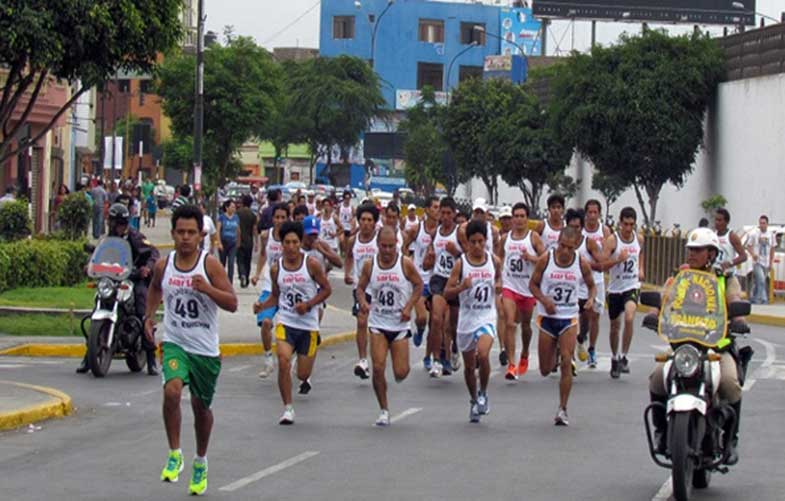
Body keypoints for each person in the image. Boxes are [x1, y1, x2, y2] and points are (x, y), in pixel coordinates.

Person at [145, 204, 238, 496]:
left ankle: (200, 459)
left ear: (201, 235)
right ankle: (175, 453)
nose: (185, 237)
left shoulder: (209, 265)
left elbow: (232, 303)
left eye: (191, 232)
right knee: (172, 390)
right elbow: (155, 289)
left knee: (201, 408)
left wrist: (208, 289)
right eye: (181, 232)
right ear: (173, 234)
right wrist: (149, 317)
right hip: (175, 341)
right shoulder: (165, 264)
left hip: (205, 348)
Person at [648, 227, 744, 464]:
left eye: (698, 250)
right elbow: (663, 298)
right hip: (682, 346)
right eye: (690, 250)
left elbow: (735, 300)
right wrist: (652, 313)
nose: (691, 254)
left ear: (711, 253)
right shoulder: (679, 277)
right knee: (657, 378)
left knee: (731, 383)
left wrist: (739, 318)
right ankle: (661, 431)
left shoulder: (725, 278)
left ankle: (730, 440)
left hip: (715, 348)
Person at [253, 221, 332, 425]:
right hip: (286, 321)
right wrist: (261, 305)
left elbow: (326, 289)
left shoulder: (311, 264)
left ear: (300, 243)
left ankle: (302, 367)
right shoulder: (276, 268)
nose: (290, 247)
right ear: (282, 245)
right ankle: (287, 408)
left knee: (303, 374)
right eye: (286, 242)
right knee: (283, 360)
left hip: (308, 325)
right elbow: (276, 297)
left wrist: (309, 304)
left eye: (294, 242)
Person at [77, 203, 161, 375]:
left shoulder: (136, 237)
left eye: (121, 223)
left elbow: (153, 252)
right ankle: (89, 357)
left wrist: (148, 267)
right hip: (112, 279)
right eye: (115, 222)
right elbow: (98, 254)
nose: (118, 226)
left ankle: (151, 357)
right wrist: (90, 264)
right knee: (98, 304)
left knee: (141, 308)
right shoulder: (107, 240)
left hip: (134, 278)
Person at [357, 226, 423, 426]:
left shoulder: (405, 264)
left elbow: (419, 285)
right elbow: (360, 287)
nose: (386, 251)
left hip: (400, 324)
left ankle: (400, 370)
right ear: (377, 246)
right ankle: (383, 409)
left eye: (390, 246)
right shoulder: (370, 265)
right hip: (378, 322)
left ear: (397, 245)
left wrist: (409, 307)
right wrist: (363, 302)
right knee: (377, 367)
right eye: (383, 246)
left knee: (401, 372)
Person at [530, 227, 596, 426]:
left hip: (569, 318)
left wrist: (591, 299)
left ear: (576, 246)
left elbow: (592, 284)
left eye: (570, 247)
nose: (565, 251)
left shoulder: (581, 263)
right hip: (548, 318)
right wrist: (544, 299)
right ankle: (555, 352)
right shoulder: (546, 260)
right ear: (557, 242)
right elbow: (532, 285)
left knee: (567, 361)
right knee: (545, 369)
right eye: (562, 246)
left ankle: (562, 408)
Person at [445, 220, 501, 423]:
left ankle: (484, 393)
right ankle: (473, 399)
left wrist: (499, 284)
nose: (477, 246)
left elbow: (500, 279)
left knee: (484, 354)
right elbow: (447, 292)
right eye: (473, 242)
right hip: (466, 319)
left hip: (486, 315)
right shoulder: (461, 263)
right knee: (469, 368)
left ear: (486, 241)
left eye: (481, 241)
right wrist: (461, 287)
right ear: (467, 243)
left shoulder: (493, 261)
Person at [499, 202, 546, 380]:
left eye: (522, 216)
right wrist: (498, 278)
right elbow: (499, 258)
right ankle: (511, 364)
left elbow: (544, 258)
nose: (518, 220)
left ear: (527, 219)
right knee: (510, 323)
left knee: (525, 326)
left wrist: (530, 258)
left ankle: (525, 352)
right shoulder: (505, 239)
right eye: (516, 216)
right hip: (509, 285)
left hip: (527, 288)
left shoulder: (533, 237)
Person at [604, 207, 644, 378]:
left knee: (629, 317)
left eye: (631, 225)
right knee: (615, 327)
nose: (628, 228)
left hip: (632, 285)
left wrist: (641, 269)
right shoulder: (613, 240)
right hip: (615, 288)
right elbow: (603, 263)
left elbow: (641, 254)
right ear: (620, 223)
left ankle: (624, 357)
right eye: (625, 224)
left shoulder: (639, 239)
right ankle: (614, 357)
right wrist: (617, 259)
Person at [426, 197, 462, 377]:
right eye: (443, 213)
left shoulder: (459, 233)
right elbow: (427, 261)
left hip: (454, 280)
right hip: (439, 278)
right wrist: (430, 257)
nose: (446, 216)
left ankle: (455, 346)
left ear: (454, 214)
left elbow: (470, 257)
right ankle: (437, 360)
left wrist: (456, 252)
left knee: (452, 325)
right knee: (436, 318)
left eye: (449, 213)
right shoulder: (435, 233)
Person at [252, 203, 289, 378]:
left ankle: (291, 358)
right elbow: (262, 255)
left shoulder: (292, 237)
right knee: (266, 322)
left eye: (283, 217)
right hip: (269, 285)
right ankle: (268, 359)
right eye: (277, 217)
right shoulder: (266, 235)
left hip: (288, 287)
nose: (280, 221)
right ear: (272, 218)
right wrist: (257, 274)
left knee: (289, 328)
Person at [566, 208, 606, 368]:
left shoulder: (588, 243)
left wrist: (586, 264)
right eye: (571, 226)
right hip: (570, 287)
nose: (575, 230)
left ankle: (582, 340)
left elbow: (601, 264)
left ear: (582, 227)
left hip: (587, 286)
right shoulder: (562, 244)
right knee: (569, 322)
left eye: (577, 227)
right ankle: (568, 359)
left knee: (587, 319)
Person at [344, 203, 380, 380]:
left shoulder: (380, 240)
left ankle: (378, 360)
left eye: (369, 220)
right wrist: (347, 273)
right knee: (361, 321)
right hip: (361, 288)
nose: (366, 223)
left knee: (376, 328)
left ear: (374, 223)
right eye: (363, 220)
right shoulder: (353, 240)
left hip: (379, 289)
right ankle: (363, 360)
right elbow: (349, 257)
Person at [402, 196, 439, 349]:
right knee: (422, 317)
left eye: (439, 207)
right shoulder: (417, 229)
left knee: (436, 322)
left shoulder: (442, 231)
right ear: (427, 210)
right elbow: (404, 246)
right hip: (419, 279)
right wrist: (408, 262)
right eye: (435, 207)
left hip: (436, 279)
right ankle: (420, 329)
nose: (438, 211)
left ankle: (430, 356)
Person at [581, 200, 612, 368]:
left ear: (599, 214)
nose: (592, 216)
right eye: (590, 212)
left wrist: (592, 264)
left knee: (595, 315)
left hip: (597, 279)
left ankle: (592, 349)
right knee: (582, 314)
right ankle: (580, 338)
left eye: (595, 212)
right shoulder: (580, 230)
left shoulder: (604, 230)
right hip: (580, 280)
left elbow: (605, 260)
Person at [302, 215, 343, 323]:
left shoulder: (322, 245)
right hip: (301, 288)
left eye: (315, 234)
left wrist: (323, 251)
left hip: (318, 290)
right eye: (310, 234)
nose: (313, 238)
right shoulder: (297, 247)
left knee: (315, 320)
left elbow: (339, 263)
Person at [713, 208, 748, 305]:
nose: (716, 222)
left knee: (733, 303)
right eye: (715, 219)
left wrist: (730, 263)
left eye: (719, 220)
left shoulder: (731, 236)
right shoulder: (712, 235)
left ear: (726, 222)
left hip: (728, 277)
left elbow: (744, 256)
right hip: (713, 276)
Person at [746, 214, 776, 304]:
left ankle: (753, 298)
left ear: (767, 224)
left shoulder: (771, 235)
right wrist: (753, 254)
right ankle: (764, 300)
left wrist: (771, 262)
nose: (762, 225)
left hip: (766, 262)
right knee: (762, 280)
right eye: (760, 223)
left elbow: (772, 249)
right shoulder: (754, 234)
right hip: (757, 262)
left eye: (764, 223)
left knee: (758, 282)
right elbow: (748, 246)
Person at [236, 195, 257, 288]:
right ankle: (247, 277)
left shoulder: (237, 213)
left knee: (240, 259)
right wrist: (256, 242)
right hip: (249, 240)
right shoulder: (253, 215)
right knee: (247, 260)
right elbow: (254, 229)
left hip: (239, 240)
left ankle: (242, 274)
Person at [217, 200, 240, 284]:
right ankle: (221, 281)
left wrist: (238, 241)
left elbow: (238, 230)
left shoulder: (236, 217)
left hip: (233, 243)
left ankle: (230, 282)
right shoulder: (222, 217)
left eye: (234, 207)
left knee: (231, 263)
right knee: (222, 264)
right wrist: (219, 243)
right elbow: (218, 230)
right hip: (223, 242)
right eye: (232, 207)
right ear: (227, 208)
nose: (234, 209)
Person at [338, 190, 356, 255]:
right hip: (341, 226)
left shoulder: (351, 207)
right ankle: (341, 251)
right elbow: (336, 214)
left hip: (348, 226)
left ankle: (345, 253)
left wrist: (352, 220)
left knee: (347, 242)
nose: (347, 200)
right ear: (344, 198)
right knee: (341, 240)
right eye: (346, 198)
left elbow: (354, 215)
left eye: (348, 198)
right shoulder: (340, 206)